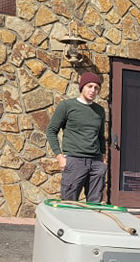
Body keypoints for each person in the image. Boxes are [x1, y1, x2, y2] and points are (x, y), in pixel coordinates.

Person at [46, 71, 107, 203]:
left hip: (96, 163)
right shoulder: (67, 106)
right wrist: (59, 157)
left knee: (95, 205)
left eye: (96, 88)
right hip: (74, 161)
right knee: (69, 202)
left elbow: (100, 136)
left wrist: (103, 158)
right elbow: (51, 131)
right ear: (82, 87)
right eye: (89, 86)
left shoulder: (100, 111)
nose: (93, 90)